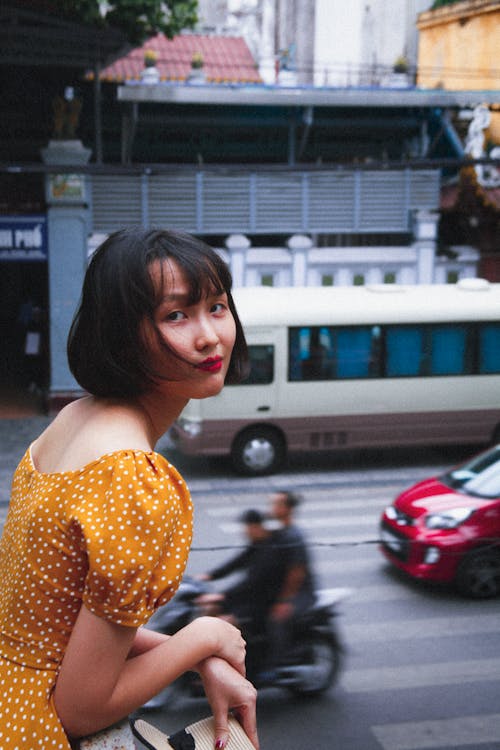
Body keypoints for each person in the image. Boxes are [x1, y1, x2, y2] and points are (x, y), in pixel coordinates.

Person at [0, 228, 259, 750]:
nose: (210, 336)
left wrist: (193, 654)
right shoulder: (134, 477)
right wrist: (205, 635)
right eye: (176, 316)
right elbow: (79, 709)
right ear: (122, 334)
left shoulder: (74, 417)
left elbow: (61, 614)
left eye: (217, 306)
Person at [200, 509, 288, 638]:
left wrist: (222, 595)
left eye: (247, 527)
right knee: (211, 609)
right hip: (250, 596)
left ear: (256, 527)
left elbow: (252, 581)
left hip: (264, 601)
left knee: (224, 624)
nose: (245, 531)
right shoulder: (257, 544)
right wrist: (209, 576)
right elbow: (237, 562)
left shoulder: (270, 551)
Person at [267, 491, 316, 665]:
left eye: (276, 505)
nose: (272, 508)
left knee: (275, 620)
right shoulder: (281, 531)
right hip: (286, 591)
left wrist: (284, 601)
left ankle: (278, 663)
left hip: (300, 595)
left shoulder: (294, 536)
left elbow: (296, 573)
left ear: (286, 509)